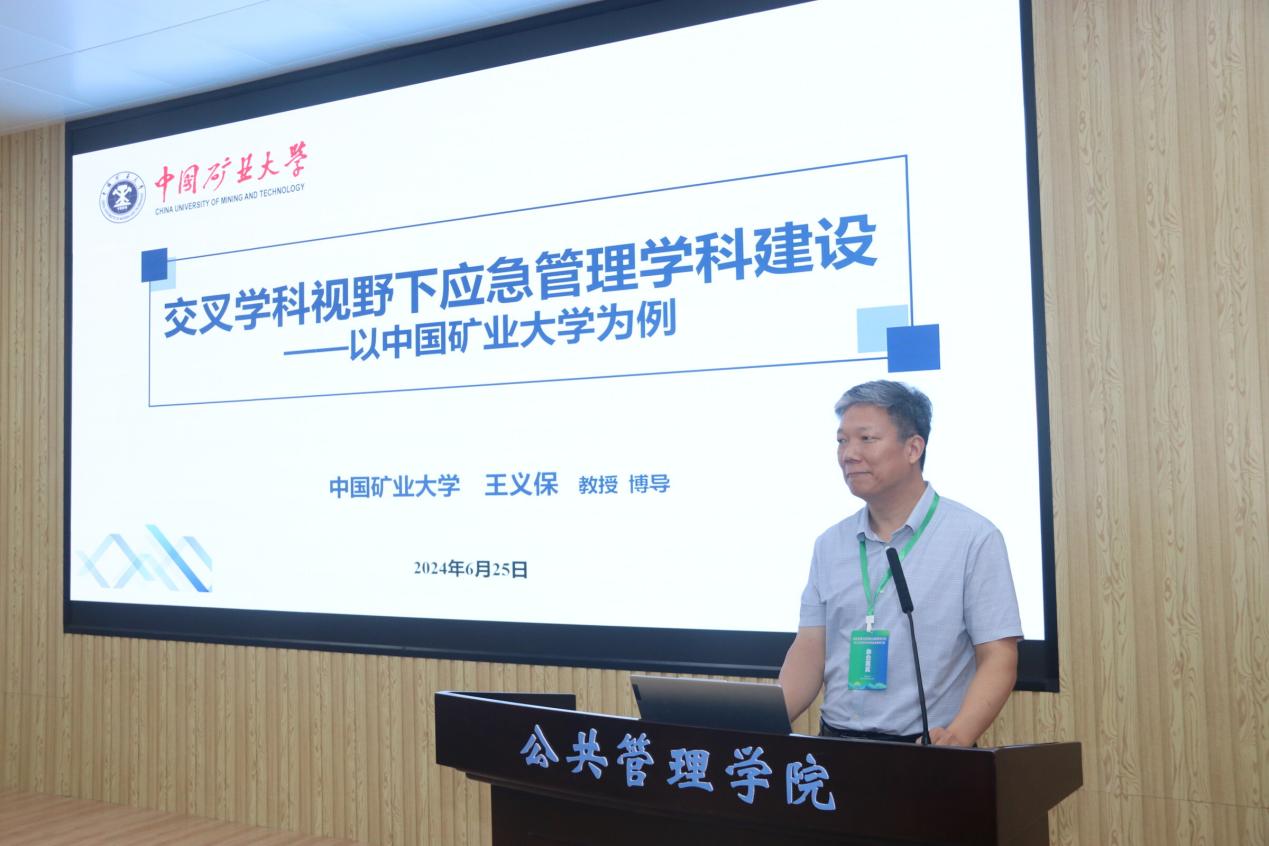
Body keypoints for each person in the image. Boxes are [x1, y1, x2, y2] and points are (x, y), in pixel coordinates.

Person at [779, 380, 1022, 745]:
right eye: (842, 441)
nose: (848, 454)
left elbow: (998, 656)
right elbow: (810, 648)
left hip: (925, 751)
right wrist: (763, 721)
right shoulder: (830, 544)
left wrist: (957, 736)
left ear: (913, 448)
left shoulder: (974, 538)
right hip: (835, 746)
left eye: (866, 439)